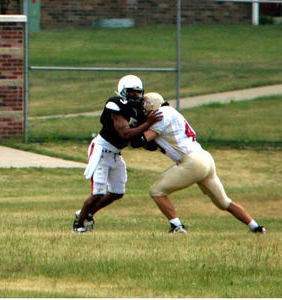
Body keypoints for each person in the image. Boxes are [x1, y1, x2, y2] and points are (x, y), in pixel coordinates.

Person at [139, 92, 266, 234]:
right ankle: (256, 227)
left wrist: (134, 129)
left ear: (151, 107)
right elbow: (151, 145)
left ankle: (177, 227)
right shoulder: (170, 112)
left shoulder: (161, 114)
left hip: (192, 161)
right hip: (204, 158)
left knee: (157, 191)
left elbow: (140, 140)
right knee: (224, 202)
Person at [72, 74, 161, 233]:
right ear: (123, 92)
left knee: (117, 193)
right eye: (132, 92)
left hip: (116, 153)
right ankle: (78, 224)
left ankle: (87, 214)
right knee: (98, 193)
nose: (136, 96)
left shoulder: (138, 110)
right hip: (101, 150)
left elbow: (135, 139)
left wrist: (155, 145)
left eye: (138, 92)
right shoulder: (115, 104)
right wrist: (148, 123)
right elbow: (125, 134)